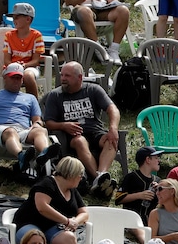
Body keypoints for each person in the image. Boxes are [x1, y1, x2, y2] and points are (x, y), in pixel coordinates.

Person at [42, 62, 120, 197]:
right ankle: (99, 180)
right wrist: (63, 125)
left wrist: (113, 128)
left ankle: (100, 176)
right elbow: (48, 123)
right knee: (80, 141)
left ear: (80, 77)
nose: (63, 79)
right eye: (62, 75)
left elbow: (112, 109)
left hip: (95, 131)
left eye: (67, 76)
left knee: (111, 140)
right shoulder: (55, 95)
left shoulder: (93, 89)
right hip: (72, 135)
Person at [12, 156, 87, 244]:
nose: (81, 178)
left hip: (51, 228)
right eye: (80, 174)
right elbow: (42, 207)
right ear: (72, 174)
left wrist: (75, 221)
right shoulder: (46, 184)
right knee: (36, 239)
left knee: (69, 240)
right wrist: (66, 221)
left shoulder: (72, 190)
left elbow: (84, 213)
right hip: (28, 224)